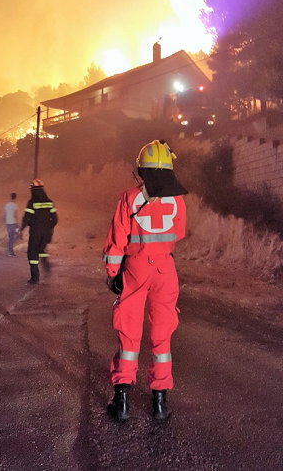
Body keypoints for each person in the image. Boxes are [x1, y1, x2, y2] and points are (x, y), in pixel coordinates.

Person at [103, 139, 187, 422]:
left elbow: (117, 239)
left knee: (129, 332)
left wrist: (113, 273)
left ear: (142, 170)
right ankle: (160, 404)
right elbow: (179, 232)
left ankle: (122, 400)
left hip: (136, 268)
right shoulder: (177, 199)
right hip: (166, 269)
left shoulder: (128, 198)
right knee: (162, 334)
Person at [20, 179, 58, 284]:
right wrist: (49, 228)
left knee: (33, 253)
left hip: (36, 232)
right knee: (41, 249)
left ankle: (35, 278)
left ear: (33, 190)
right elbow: (55, 219)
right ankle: (46, 265)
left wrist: (22, 228)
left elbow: (27, 218)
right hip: (47, 233)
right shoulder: (49, 202)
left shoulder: (32, 202)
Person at [4, 192, 19, 256]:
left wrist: (5, 222)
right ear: (15, 197)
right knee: (16, 235)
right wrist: (17, 223)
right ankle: (10, 250)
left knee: (10, 237)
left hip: (8, 223)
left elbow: (5, 214)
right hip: (13, 223)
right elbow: (15, 215)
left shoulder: (7, 205)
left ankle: (10, 250)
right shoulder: (15, 205)